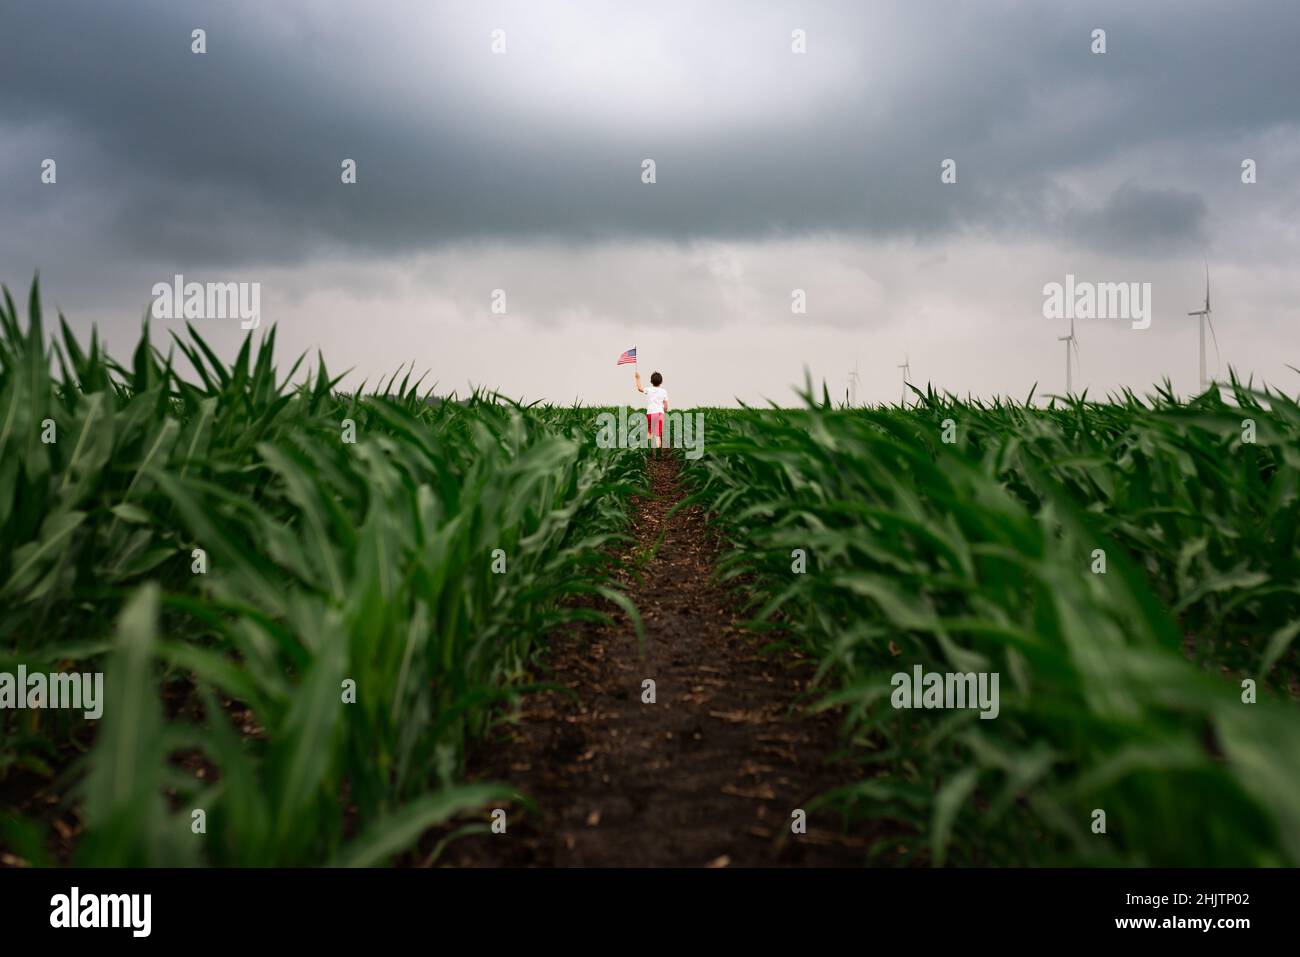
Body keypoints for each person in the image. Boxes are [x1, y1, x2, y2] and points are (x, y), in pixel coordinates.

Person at [634, 368, 669, 449]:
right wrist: (664, 410)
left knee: (649, 432)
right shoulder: (664, 391)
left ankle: (649, 449)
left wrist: (638, 378)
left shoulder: (648, 389)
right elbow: (666, 407)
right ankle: (657, 452)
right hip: (659, 413)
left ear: (651, 381)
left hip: (650, 413)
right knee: (657, 434)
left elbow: (639, 388)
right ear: (661, 382)